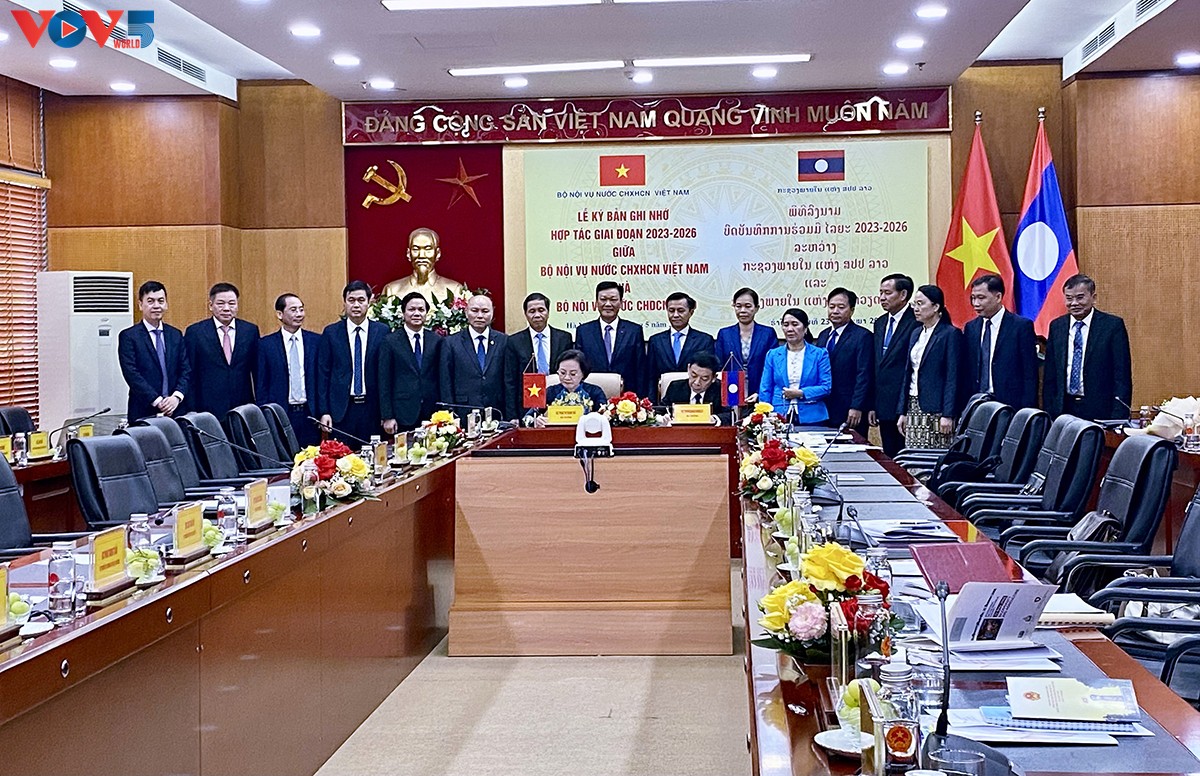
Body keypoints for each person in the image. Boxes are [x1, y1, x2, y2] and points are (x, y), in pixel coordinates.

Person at [1043, 274, 1132, 421]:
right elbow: (1050, 374)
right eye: (1069, 298)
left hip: (1100, 409)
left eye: (1080, 298)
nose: (1074, 303)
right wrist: (1049, 410)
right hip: (1063, 408)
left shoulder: (1112, 326)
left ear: (1093, 298)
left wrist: (1118, 417)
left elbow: (1121, 375)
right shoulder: (1057, 326)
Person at [315, 281, 389, 445]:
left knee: (374, 456)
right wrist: (324, 411)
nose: (356, 305)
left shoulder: (382, 331)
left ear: (369, 302)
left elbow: (387, 374)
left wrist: (387, 413)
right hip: (341, 410)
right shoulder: (331, 333)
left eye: (361, 300)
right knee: (342, 456)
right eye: (351, 300)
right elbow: (323, 374)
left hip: (372, 409)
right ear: (344, 303)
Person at [897, 285, 964, 449]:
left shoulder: (950, 334)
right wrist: (902, 411)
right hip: (913, 404)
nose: (916, 308)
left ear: (935, 307)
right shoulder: (916, 333)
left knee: (933, 456)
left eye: (921, 304)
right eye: (914, 304)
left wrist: (948, 414)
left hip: (936, 409)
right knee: (913, 455)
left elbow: (953, 377)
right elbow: (908, 373)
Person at [117, 280, 190, 422]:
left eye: (160, 301)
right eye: (150, 301)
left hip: (176, 409)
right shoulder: (129, 336)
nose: (156, 306)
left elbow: (185, 369)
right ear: (140, 305)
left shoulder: (175, 334)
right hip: (144, 410)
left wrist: (176, 397)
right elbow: (131, 373)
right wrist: (157, 400)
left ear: (166, 304)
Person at [184, 282, 258, 419]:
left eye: (232, 303)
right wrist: (191, 408)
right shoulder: (195, 332)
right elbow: (190, 372)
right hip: (207, 408)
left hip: (242, 406)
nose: (226, 308)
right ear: (210, 305)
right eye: (220, 304)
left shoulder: (250, 331)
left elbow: (257, 370)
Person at [962, 274, 1038, 409]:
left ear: (998, 297)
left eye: (981, 298)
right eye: (973, 298)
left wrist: (1026, 409)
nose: (976, 303)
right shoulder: (971, 328)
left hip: (1010, 405)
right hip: (977, 403)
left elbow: (1030, 373)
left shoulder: (1020, 326)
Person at [256, 293, 321, 447]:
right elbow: (261, 384)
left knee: (311, 457)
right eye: (293, 310)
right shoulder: (265, 345)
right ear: (280, 314)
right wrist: (265, 414)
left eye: (301, 309)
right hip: (280, 414)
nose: (299, 314)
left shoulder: (316, 341)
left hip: (309, 414)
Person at [378, 292, 444, 434]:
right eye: (411, 309)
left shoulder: (436, 340)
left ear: (426, 314)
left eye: (421, 310)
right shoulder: (390, 341)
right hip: (402, 413)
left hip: (431, 412)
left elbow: (442, 377)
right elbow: (384, 381)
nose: (416, 313)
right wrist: (387, 416)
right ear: (403, 313)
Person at [871, 273, 919, 456]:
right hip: (884, 404)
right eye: (880, 292)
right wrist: (873, 405)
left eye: (888, 293)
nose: (882, 297)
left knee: (905, 456)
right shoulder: (880, 323)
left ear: (903, 294)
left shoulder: (916, 321)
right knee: (889, 454)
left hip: (906, 403)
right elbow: (878, 366)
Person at [815, 287, 873, 435]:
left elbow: (864, 375)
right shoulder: (823, 335)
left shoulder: (862, 336)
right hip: (824, 408)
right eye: (831, 306)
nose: (835, 311)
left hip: (849, 409)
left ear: (852, 310)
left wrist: (857, 406)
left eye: (841, 307)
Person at [505, 292, 572, 418]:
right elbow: (510, 381)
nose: (537, 315)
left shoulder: (564, 338)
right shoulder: (514, 341)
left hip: (559, 402)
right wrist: (512, 416)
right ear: (525, 314)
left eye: (541, 310)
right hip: (526, 405)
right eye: (532, 311)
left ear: (548, 312)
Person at [440, 294, 509, 418]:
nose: (480, 316)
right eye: (475, 310)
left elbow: (509, 379)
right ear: (466, 312)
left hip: (497, 410)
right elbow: (446, 380)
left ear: (492, 313)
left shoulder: (504, 341)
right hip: (463, 410)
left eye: (485, 311)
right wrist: (449, 411)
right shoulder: (451, 343)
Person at [758, 308, 832, 424]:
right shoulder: (773, 355)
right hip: (778, 415)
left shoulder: (820, 354)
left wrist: (801, 393)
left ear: (805, 328)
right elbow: (765, 388)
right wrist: (765, 414)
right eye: (786, 325)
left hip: (812, 415)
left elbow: (826, 387)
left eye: (795, 324)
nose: (790, 329)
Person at [573, 281, 646, 397]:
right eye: (603, 299)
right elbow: (578, 367)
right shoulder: (583, 331)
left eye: (613, 300)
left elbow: (640, 369)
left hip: (626, 398)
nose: (608, 304)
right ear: (596, 303)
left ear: (621, 303)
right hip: (591, 397)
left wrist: (640, 399)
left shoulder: (634, 331)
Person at [646, 292, 715, 399]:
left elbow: (707, 373)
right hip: (664, 398)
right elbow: (651, 376)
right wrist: (652, 403)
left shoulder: (704, 340)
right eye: (671, 310)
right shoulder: (656, 341)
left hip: (694, 398)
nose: (675, 315)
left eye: (681, 311)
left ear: (691, 312)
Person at [715, 287, 777, 400]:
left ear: (756, 308)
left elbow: (773, 367)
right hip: (731, 391)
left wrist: (759, 393)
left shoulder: (767, 333)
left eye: (748, 306)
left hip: (759, 390)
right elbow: (719, 366)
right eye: (738, 306)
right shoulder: (724, 334)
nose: (743, 310)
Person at [381, 227, 468, 302]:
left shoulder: (455, 290)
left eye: (428, 249)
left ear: (437, 253)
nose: (421, 255)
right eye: (416, 249)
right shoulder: (392, 290)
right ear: (408, 254)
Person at [531, 349, 609, 426]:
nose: (567, 377)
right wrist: (536, 420)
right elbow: (529, 417)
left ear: (583, 373)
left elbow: (606, 416)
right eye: (562, 373)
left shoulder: (594, 392)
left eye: (573, 374)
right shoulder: (550, 392)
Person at [661, 352, 729, 424]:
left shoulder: (722, 389)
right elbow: (660, 410)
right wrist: (663, 417)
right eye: (694, 375)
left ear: (714, 378)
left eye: (704, 378)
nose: (697, 382)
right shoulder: (675, 387)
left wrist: (715, 419)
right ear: (688, 368)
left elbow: (731, 414)